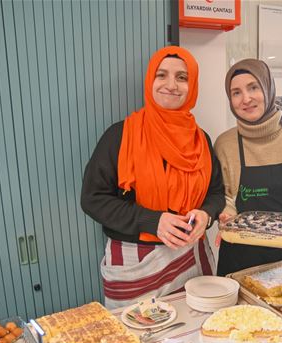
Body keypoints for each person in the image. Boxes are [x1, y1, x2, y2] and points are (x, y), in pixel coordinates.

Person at [81, 46, 224, 309]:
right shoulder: (120, 135)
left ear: (192, 86)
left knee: (195, 338)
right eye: (162, 75)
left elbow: (216, 193)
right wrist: (153, 221)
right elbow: (93, 199)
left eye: (182, 77)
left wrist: (207, 215)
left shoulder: (200, 139)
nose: (172, 85)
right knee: (137, 341)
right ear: (150, 81)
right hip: (136, 264)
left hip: (192, 258)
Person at [214, 58, 282, 276]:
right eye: (236, 92)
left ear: (268, 88)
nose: (246, 98)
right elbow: (222, 194)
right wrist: (226, 215)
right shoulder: (225, 144)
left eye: (253, 87)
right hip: (238, 256)